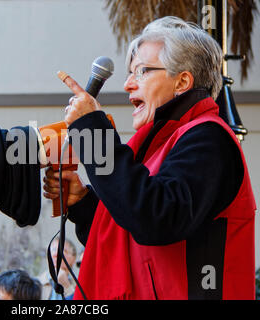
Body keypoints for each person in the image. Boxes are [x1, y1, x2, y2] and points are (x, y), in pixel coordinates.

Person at [43, 16, 256, 300]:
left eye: (141, 71)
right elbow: (133, 234)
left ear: (182, 81)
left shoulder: (208, 138)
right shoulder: (162, 142)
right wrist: (83, 204)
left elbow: (156, 219)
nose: (128, 85)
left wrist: (92, 133)